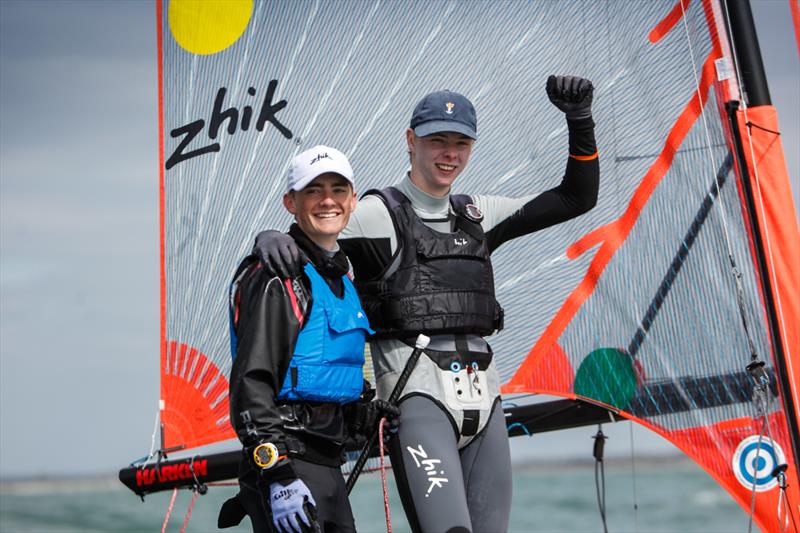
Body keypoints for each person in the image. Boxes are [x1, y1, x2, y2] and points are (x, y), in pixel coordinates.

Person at [252, 76, 599, 533]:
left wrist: (580, 120)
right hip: (417, 402)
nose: (449, 154)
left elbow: (576, 198)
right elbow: (315, 225)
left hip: (485, 397)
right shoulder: (377, 213)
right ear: (411, 141)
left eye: (460, 143)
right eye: (438, 141)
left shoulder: (479, 213)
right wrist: (270, 236)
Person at [219, 145, 398, 533]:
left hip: (327, 464)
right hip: (288, 465)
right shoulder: (278, 277)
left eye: (338, 189)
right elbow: (251, 383)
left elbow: (321, 373)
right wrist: (277, 474)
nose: (328, 200)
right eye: (313, 190)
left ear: (353, 200)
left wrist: (362, 416)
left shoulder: (342, 278)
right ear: (290, 202)